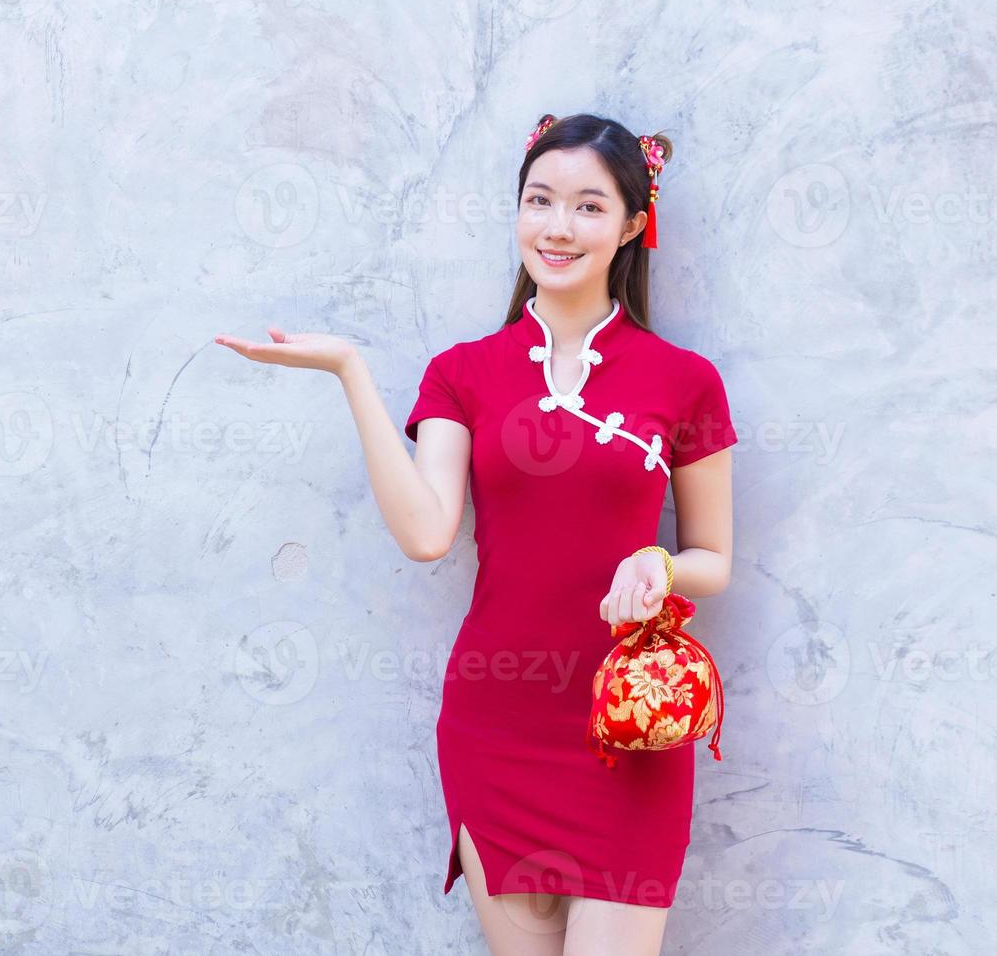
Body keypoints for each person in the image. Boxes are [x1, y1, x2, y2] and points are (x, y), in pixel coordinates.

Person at [215, 113, 738, 956]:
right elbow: (427, 533)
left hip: (632, 726)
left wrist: (660, 564)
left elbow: (713, 557)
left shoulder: (684, 380)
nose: (558, 227)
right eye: (539, 201)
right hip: (499, 728)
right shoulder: (462, 373)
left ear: (635, 225)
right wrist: (351, 371)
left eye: (588, 207)